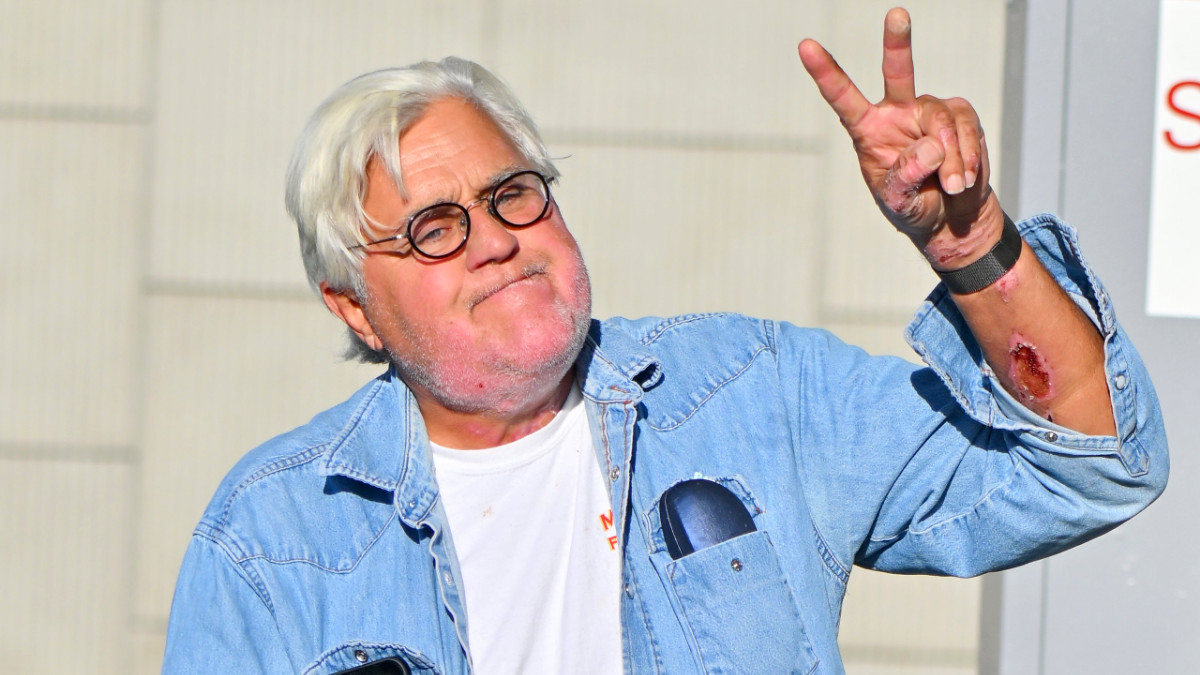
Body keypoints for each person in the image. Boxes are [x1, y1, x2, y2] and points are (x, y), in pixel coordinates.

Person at [163, 8, 1167, 674]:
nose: (498, 239)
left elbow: (1095, 462)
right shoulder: (273, 538)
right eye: (436, 227)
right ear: (354, 308)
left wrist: (970, 242)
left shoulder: (751, 396)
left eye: (513, 192)